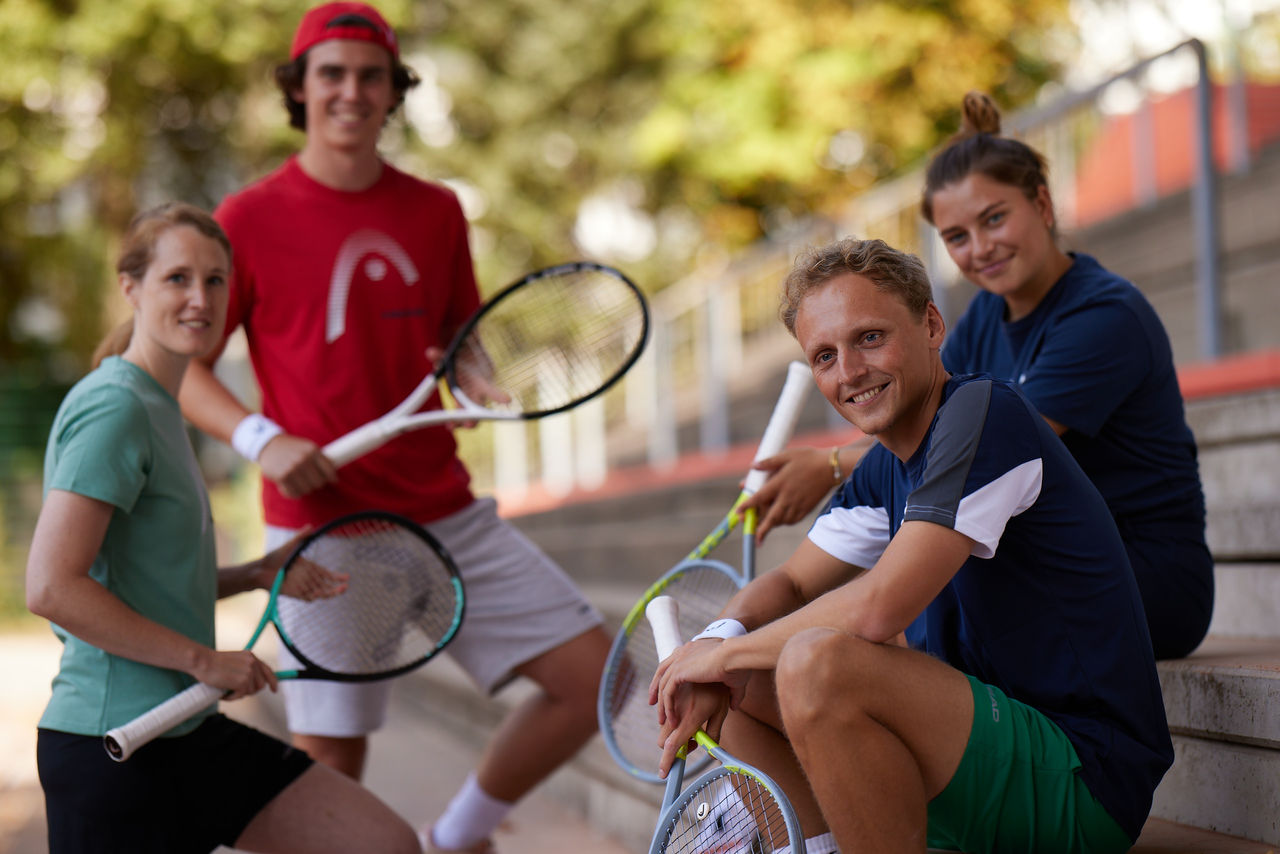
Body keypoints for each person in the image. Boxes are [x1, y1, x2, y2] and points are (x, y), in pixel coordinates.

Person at [176, 4, 610, 851]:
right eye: (330, 74)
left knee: (593, 676)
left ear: (393, 91)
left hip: (446, 511)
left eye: (370, 75)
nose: (351, 91)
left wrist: (475, 379)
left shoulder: (438, 209)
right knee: (332, 770)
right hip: (324, 535)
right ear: (299, 89)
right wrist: (263, 440)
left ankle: (455, 839)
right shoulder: (247, 217)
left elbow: (455, 338)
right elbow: (183, 367)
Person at [650, 237, 1173, 854]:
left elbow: (879, 608)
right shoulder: (883, 465)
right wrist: (717, 646)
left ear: (930, 324)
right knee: (739, 674)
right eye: (824, 356)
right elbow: (790, 584)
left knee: (813, 662)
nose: (848, 372)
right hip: (979, 757)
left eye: (869, 337)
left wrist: (723, 656)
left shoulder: (982, 415)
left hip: (1084, 781)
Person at [740, 91, 1212, 660]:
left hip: (1145, 580)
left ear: (1041, 203)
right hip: (1039, 556)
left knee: (908, 589)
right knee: (902, 582)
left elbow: (976, 447)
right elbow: (929, 423)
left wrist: (831, 464)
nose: (980, 248)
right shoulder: (989, 311)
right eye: (957, 237)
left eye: (994, 219)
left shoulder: (1106, 317)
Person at [26, 202, 420, 854]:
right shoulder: (114, 407)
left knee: (382, 842)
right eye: (177, 277)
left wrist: (253, 576)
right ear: (131, 287)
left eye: (215, 280)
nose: (200, 298)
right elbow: (52, 588)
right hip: (114, 743)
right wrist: (204, 661)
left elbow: (138, 579)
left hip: (189, 731)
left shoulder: (159, 405)